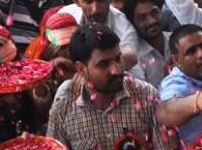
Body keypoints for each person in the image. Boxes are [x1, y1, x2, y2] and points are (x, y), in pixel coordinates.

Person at [46, 23, 177, 149]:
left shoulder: (145, 95)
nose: (117, 70)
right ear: (81, 69)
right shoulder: (64, 106)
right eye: (103, 64)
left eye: (118, 59)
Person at [58, 0, 139, 70]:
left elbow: (131, 58)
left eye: (101, 0)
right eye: (88, 2)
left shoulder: (124, 28)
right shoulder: (64, 16)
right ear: (76, 0)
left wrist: (85, 73)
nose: (96, 9)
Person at [122, 0, 171, 87]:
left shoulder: (177, 40)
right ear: (132, 23)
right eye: (142, 18)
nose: (151, 21)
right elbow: (146, 97)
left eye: (154, 13)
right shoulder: (135, 59)